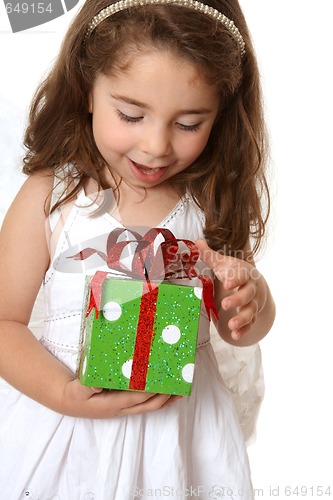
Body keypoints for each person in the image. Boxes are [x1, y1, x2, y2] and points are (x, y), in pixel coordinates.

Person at [0, 0, 275, 497]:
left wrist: (249, 298)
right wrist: (64, 394)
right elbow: (3, 323)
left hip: (181, 439)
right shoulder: (52, 195)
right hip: (67, 432)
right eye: (130, 114)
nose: (155, 146)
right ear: (86, 88)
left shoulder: (208, 203)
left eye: (189, 123)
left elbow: (239, 330)